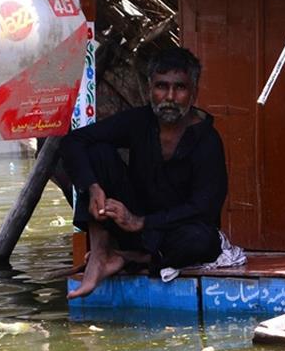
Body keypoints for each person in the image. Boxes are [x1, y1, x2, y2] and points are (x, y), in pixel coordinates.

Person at [60, 47, 227, 299]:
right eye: (162, 86)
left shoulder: (207, 139)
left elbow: (204, 208)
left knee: (205, 241)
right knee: (97, 152)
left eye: (179, 88)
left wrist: (142, 222)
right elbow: (74, 141)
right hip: (131, 226)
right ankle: (101, 251)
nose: (169, 96)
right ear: (150, 88)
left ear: (194, 92)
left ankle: (131, 258)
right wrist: (93, 188)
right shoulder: (139, 121)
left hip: (172, 234)